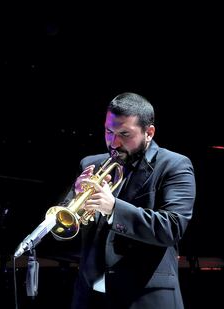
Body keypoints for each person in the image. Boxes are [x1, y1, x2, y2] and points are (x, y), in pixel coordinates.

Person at [65, 92, 196, 308]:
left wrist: (114, 208)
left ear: (149, 132)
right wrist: (76, 201)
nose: (114, 143)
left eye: (124, 134)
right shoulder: (90, 164)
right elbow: (64, 225)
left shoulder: (175, 165)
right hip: (89, 298)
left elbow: (172, 227)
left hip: (145, 298)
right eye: (109, 132)